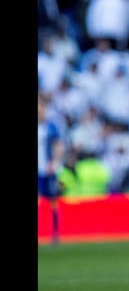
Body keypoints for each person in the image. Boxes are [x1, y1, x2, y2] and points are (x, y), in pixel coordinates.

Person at [38, 93, 66, 244]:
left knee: (53, 200)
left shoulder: (50, 126)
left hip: (48, 170)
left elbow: (58, 146)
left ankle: (55, 232)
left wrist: (54, 163)